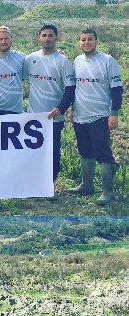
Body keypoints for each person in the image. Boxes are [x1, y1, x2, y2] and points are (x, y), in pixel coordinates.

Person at [69, 29, 123, 205]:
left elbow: (117, 89)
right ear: (79, 42)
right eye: (83, 39)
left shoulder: (107, 61)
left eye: (90, 39)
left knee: (103, 154)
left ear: (96, 41)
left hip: (99, 115)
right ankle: (87, 185)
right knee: (85, 151)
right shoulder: (77, 61)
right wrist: (72, 109)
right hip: (80, 115)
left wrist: (114, 113)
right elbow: (74, 88)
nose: (86, 42)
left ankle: (108, 192)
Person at [23, 24, 76, 184]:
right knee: (33, 151)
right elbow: (18, 75)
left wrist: (61, 108)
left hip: (53, 117)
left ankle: (49, 185)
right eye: (44, 35)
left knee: (52, 151)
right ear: (39, 38)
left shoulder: (63, 61)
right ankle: (34, 183)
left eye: (50, 35)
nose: (47, 38)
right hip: (33, 115)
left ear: (56, 38)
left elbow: (70, 87)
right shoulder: (30, 59)